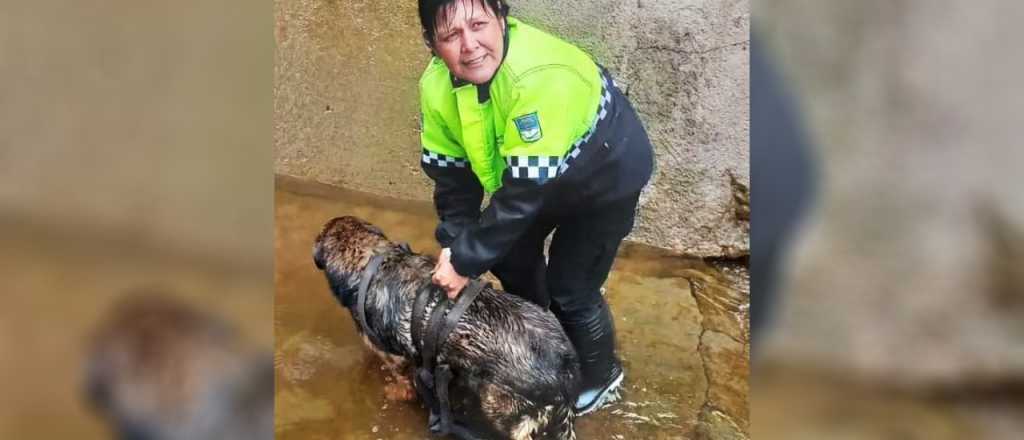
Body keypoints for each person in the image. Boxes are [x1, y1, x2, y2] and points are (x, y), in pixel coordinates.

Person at [418, 0, 654, 415]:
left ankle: (600, 378)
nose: (470, 45)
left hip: (604, 178)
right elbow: (453, 177)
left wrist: (465, 259)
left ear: (502, 19)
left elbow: (524, 194)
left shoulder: (536, 78)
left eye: (478, 25)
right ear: (432, 45)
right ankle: (543, 341)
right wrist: (456, 242)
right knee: (509, 258)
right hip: (535, 176)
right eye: (451, 35)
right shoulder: (435, 87)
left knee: (572, 288)